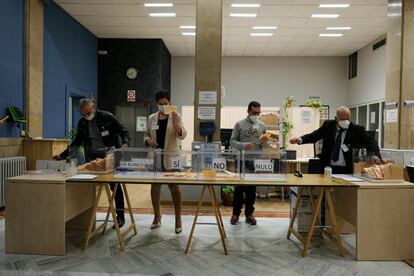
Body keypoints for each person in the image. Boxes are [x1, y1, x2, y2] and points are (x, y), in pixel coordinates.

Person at [54, 98, 129, 228]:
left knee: (115, 186)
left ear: (93, 107)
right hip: (93, 157)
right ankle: (87, 216)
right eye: (84, 114)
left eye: (89, 113)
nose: (87, 116)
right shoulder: (83, 123)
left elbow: (124, 132)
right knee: (89, 187)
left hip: (109, 155)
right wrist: (61, 155)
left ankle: (120, 216)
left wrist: (125, 144)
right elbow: (77, 142)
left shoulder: (107, 117)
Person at [290, 106, 380, 174]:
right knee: (326, 195)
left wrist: (375, 155)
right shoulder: (328, 125)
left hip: (347, 170)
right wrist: (300, 139)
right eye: (342, 119)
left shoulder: (357, 129)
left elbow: (371, 141)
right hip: (328, 168)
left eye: (347, 119)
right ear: (336, 118)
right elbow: (314, 135)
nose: (345, 122)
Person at [144, 90, 187, 234]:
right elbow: (146, 134)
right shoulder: (151, 118)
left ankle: (178, 219)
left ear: (170, 102)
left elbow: (182, 135)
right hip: (156, 156)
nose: (163, 106)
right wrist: (148, 140)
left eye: (166, 103)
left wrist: (175, 123)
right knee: (155, 187)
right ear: (157, 104)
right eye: (160, 104)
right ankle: (157, 216)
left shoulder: (176, 116)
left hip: (172, 157)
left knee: (174, 188)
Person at [230, 101, 267, 226]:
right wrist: (244, 145)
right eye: (254, 112)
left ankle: (249, 214)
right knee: (239, 188)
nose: (256, 114)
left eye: (258, 112)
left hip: (255, 160)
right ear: (248, 111)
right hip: (241, 160)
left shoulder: (262, 126)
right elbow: (232, 142)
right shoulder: (239, 124)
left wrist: (266, 141)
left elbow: (265, 145)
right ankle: (235, 214)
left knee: (252, 189)